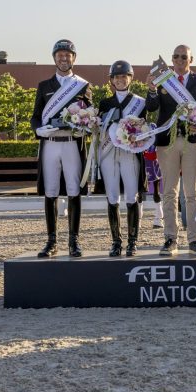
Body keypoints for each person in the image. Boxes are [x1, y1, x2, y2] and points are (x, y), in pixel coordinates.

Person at [146, 45, 196, 256]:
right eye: (176, 56)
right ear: (171, 59)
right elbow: (152, 108)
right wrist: (151, 90)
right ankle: (170, 238)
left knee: (192, 193)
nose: (180, 60)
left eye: (184, 56)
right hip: (168, 142)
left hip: (192, 141)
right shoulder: (163, 79)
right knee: (169, 192)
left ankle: (194, 239)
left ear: (191, 59)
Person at [31, 39, 91, 258]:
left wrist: (85, 125)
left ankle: (74, 241)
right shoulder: (44, 86)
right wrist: (39, 130)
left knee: (74, 190)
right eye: (60, 55)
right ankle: (51, 241)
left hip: (71, 143)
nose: (64, 58)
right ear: (54, 58)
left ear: (73, 58)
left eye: (67, 55)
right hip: (50, 144)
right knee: (51, 191)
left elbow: (90, 114)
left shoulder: (83, 85)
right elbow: (35, 117)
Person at [98, 61, 149, 257]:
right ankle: (116, 241)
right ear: (111, 80)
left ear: (130, 78)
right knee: (112, 196)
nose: (120, 79)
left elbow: (145, 130)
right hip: (109, 153)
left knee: (131, 196)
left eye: (124, 76)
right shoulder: (104, 104)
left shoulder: (140, 102)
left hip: (130, 153)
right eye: (117, 77)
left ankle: (132, 241)